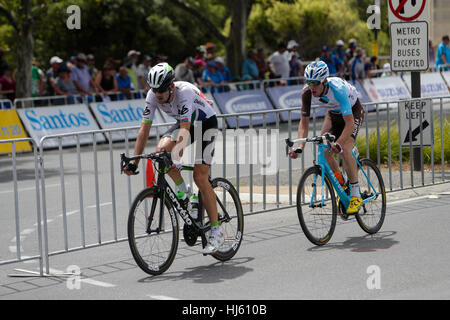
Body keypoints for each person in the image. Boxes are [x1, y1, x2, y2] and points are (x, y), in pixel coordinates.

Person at [122, 63, 223, 254]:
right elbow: (144, 129)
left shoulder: (184, 92)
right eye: (154, 90)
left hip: (206, 124)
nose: (157, 94)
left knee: (200, 177)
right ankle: (186, 196)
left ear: (171, 86)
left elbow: (185, 129)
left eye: (161, 90)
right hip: (187, 124)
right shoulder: (152, 96)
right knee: (161, 153)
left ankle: (216, 231)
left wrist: (176, 157)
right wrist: (134, 161)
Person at [289, 61, 365, 214]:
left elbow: (349, 123)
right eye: (309, 82)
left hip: (352, 112)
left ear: (324, 81)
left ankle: (356, 194)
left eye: (315, 83)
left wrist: (339, 143)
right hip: (333, 115)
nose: (312, 87)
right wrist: (300, 147)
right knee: (325, 150)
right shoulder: (307, 93)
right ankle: (342, 184)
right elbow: (303, 123)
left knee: (345, 149)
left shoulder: (337, 89)